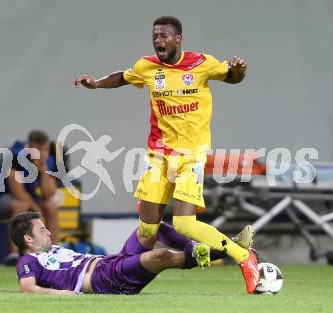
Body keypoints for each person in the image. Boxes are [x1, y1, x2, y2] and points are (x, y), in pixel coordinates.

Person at [74, 16, 259, 293]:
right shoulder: (147, 66)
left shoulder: (201, 63)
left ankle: (244, 257)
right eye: (155, 35)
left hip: (190, 157)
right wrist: (97, 84)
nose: (158, 40)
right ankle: (131, 271)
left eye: (164, 36)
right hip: (158, 157)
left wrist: (239, 70)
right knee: (148, 230)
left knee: (184, 222)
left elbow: (232, 77)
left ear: (178, 39)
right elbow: (123, 77)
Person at [11, 212, 252, 295]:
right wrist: (62, 295)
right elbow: (27, 288)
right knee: (161, 257)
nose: (49, 231)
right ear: (28, 239)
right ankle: (232, 249)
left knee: (150, 227)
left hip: (110, 264)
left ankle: (211, 247)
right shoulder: (27, 260)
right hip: (102, 280)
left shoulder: (54, 249)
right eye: (42, 229)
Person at [0, 130, 60, 265]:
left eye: (45, 149)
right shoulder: (15, 158)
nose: (42, 154)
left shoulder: (49, 161)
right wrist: (38, 212)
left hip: (25, 196)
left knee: (51, 206)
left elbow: (49, 194)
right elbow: (19, 194)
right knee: (21, 206)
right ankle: (14, 255)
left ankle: (54, 252)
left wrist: (44, 170)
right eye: (38, 149)